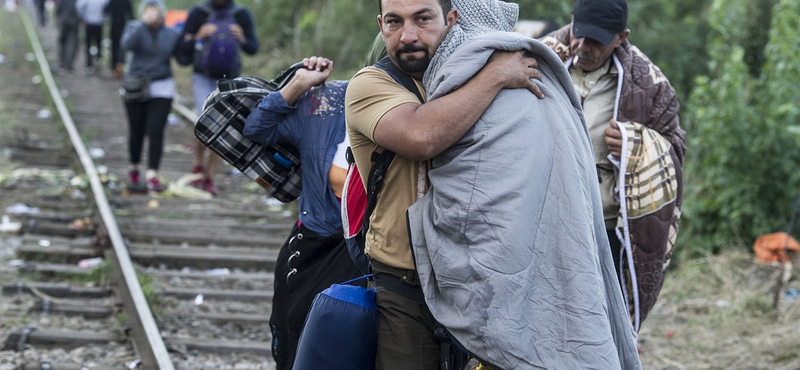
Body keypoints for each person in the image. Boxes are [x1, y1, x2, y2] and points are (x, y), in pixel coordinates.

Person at [344, 0, 545, 368]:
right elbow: (421, 136)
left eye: (423, 19)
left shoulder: (470, 69)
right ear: (380, 25)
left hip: (485, 284)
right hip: (406, 284)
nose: (408, 35)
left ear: (451, 19)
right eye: (394, 22)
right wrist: (495, 76)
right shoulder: (370, 84)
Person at [541, 0, 686, 334]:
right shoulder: (541, 60)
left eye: (598, 41)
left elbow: (676, 148)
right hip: (546, 216)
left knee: (602, 322)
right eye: (580, 35)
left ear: (622, 37)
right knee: (550, 318)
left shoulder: (649, 85)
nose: (584, 47)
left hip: (606, 226)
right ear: (573, 21)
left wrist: (639, 143)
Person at [243, 56, 364, 370]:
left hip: (361, 253)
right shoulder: (325, 107)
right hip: (313, 242)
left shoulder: (406, 116)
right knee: (294, 326)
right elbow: (256, 127)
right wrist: (298, 84)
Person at [176, 0, 259, 196]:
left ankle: (209, 176)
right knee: (203, 121)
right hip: (202, 77)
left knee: (221, 126)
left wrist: (243, 38)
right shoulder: (199, 12)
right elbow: (180, 48)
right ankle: (198, 164)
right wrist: (197, 36)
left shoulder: (241, 14)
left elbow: (253, 47)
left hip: (229, 79)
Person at [120, 0, 181, 193]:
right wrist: (142, 23)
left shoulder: (171, 33)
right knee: (136, 129)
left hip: (162, 86)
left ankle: (152, 173)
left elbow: (182, 56)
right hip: (136, 85)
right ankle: (134, 168)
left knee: (155, 130)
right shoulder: (134, 27)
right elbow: (126, 45)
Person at [76, 0, 108, 73]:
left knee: (88, 44)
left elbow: (79, 8)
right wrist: (104, 18)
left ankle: (89, 64)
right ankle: (97, 60)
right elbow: (106, 9)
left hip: (89, 23)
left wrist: (82, 17)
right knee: (98, 44)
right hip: (98, 24)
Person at [104, 0, 133, 78]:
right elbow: (131, 15)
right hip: (123, 26)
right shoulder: (127, 1)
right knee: (122, 48)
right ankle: (120, 66)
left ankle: (114, 68)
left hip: (114, 25)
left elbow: (106, 10)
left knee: (114, 47)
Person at [55, 0, 80, 73]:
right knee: (72, 43)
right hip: (74, 22)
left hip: (63, 21)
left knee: (62, 42)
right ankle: (69, 64)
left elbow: (58, 8)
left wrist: (59, 18)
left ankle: (62, 62)